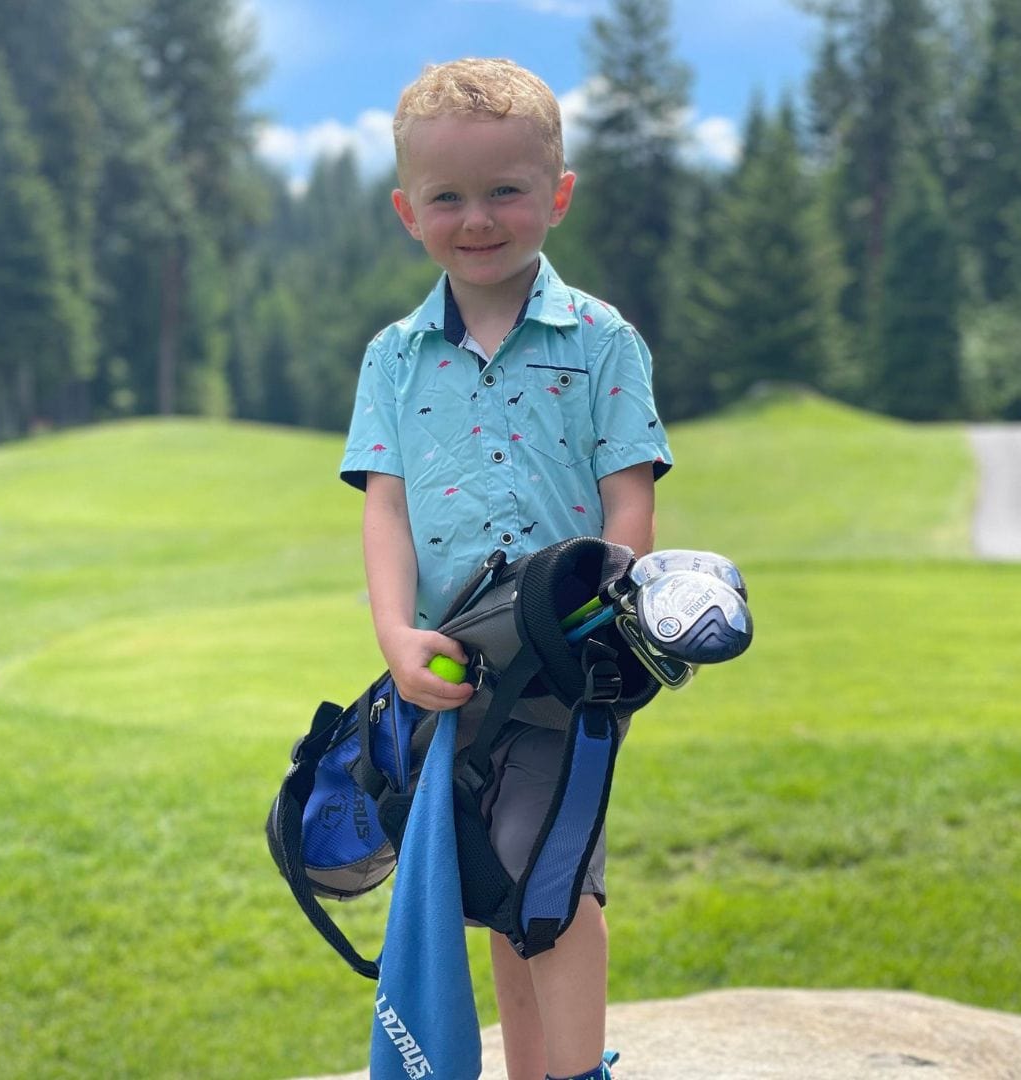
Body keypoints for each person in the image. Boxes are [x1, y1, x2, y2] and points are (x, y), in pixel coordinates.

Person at [339, 57, 672, 1080]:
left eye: (506, 191)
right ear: (408, 212)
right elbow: (387, 510)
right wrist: (396, 635)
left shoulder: (602, 341)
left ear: (557, 196)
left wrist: (606, 626)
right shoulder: (395, 356)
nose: (477, 218)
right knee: (497, 881)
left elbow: (628, 500)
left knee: (553, 881)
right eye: (447, 197)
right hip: (454, 668)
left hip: (568, 665)